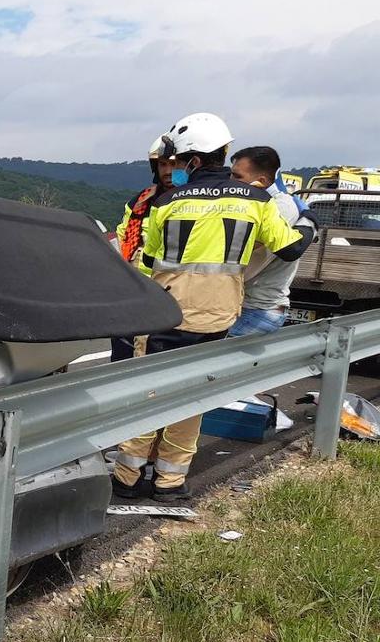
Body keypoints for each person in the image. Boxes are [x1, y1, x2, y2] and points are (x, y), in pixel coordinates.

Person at [111, 113, 316, 501]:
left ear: (193, 160)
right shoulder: (257, 201)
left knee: (148, 396)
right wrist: (307, 221)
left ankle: (127, 477)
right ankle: (170, 483)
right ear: (223, 152)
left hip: (164, 315)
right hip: (218, 318)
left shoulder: (167, 201)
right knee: (193, 398)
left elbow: (149, 260)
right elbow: (290, 248)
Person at [227, 146, 309, 336]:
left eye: (237, 176)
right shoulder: (254, 203)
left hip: (256, 309)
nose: (230, 182)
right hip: (245, 307)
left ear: (261, 181)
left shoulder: (279, 208)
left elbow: (246, 262)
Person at [111, 136, 178, 360]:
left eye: (173, 164)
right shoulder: (141, 201)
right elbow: (122, 238)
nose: (168, 171)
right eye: (162, 164)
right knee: (122, 353)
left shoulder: (191, 202)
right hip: (133, 290)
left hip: (171, 290)